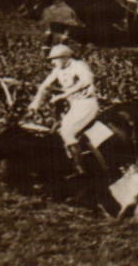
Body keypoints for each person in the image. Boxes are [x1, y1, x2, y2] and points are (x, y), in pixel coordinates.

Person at [21, 43, 100, 172]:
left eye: (55, 59)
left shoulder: (78, 66)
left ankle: (79, 167)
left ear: (65, 57)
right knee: (57, 132)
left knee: (67, 132)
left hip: (87, 104)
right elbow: (44, 86)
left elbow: (87, 80)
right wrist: (35, 104)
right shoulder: (58, 70)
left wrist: (64, 95)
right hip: (75, 106)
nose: (53, 62)